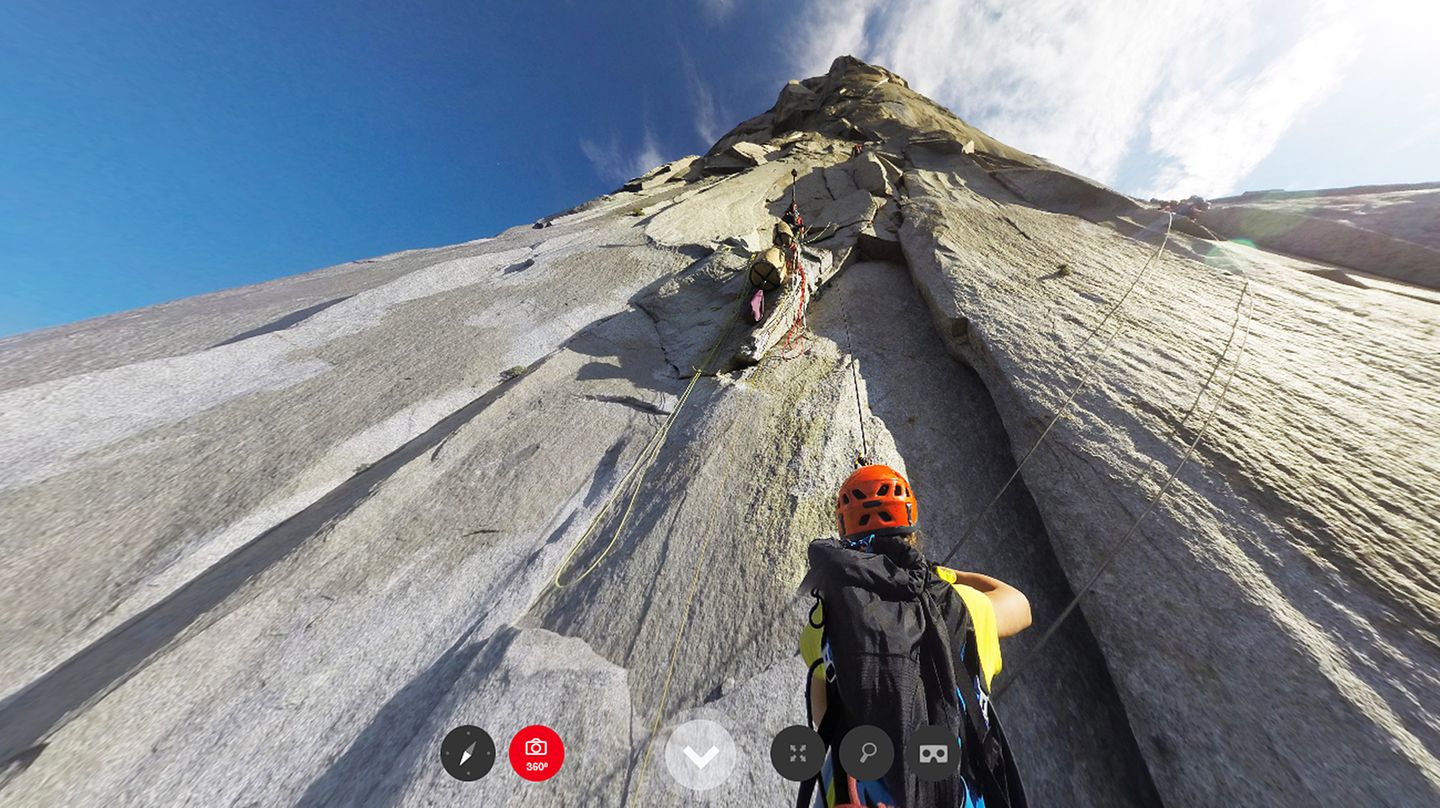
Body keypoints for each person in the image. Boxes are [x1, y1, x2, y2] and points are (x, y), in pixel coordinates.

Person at [799, 463, 1031, 808]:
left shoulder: (824, 622)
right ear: (912, 531)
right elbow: (1019, 604)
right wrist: (945, 576)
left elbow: (824, 719)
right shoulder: (963, 606)